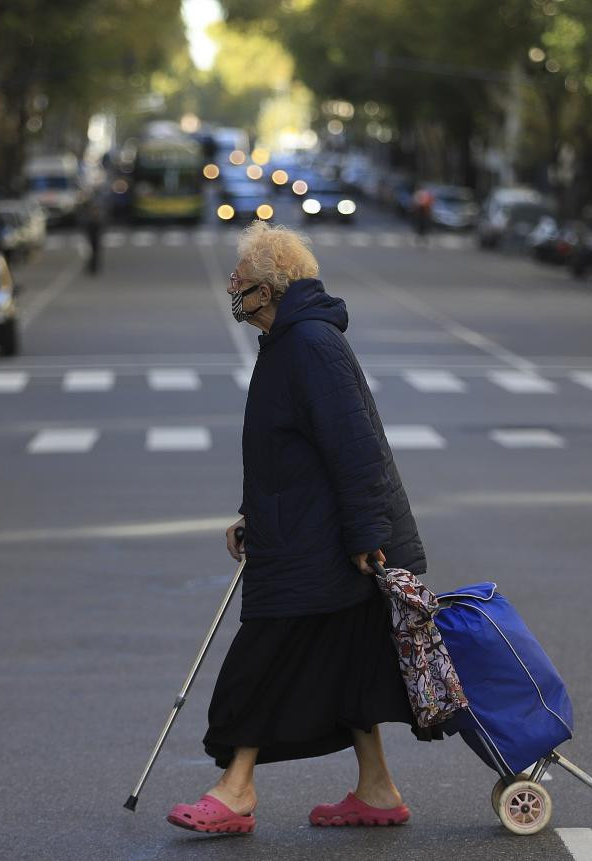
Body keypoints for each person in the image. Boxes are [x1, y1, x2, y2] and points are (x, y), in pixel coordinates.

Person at [166, 221, 431, 835]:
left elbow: (355, 445)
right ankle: (377, 789)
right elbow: (291, 451)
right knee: (352, 666)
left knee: (260, 666)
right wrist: (252, 515)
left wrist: (369, 534)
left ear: (272, 289)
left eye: (243, 281)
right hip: (310, 537)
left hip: (325, 548)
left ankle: (235, 790)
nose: (233, 289)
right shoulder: (289, 341)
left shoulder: (310, 344)